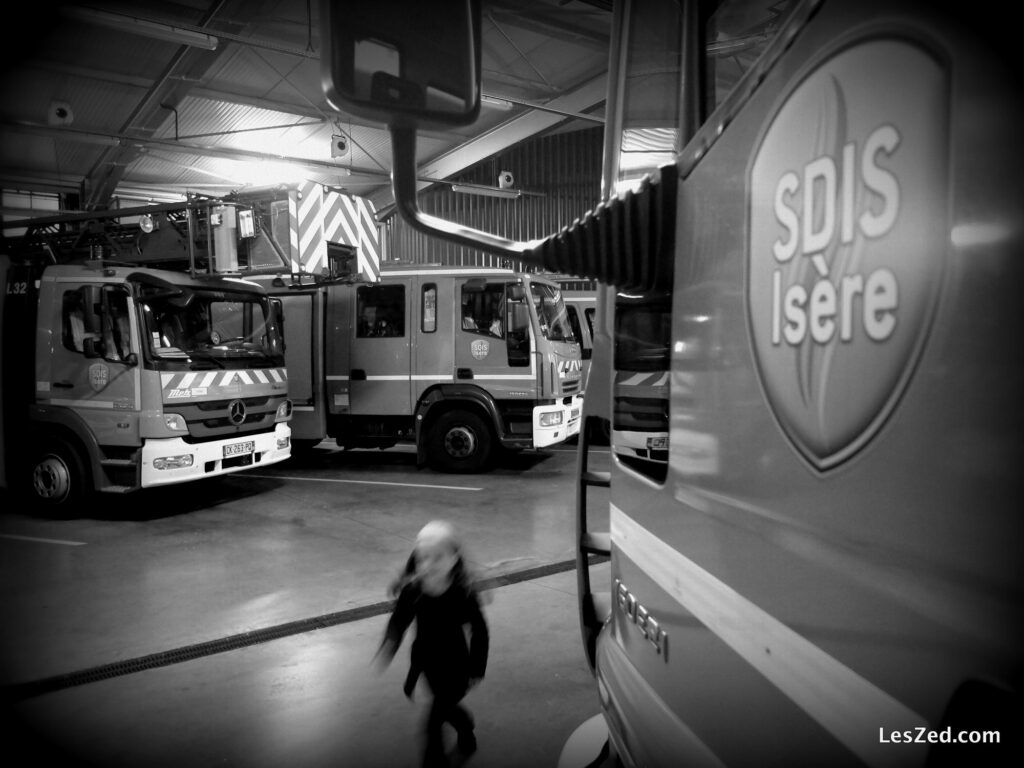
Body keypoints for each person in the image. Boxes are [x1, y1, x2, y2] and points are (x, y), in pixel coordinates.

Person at [375, 520, 490, 767]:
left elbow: (480, 631)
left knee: (433, 722)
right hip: (428, 664)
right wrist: (389, 644)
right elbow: (399, 621)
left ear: (454, 559)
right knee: (445, 706)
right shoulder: (412, 592)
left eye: (437, 557)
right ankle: (464, 724)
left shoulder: (462, 593)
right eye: (422, 558)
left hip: (457, 665)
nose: (428, 565)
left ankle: (434, 759)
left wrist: (477, 667)